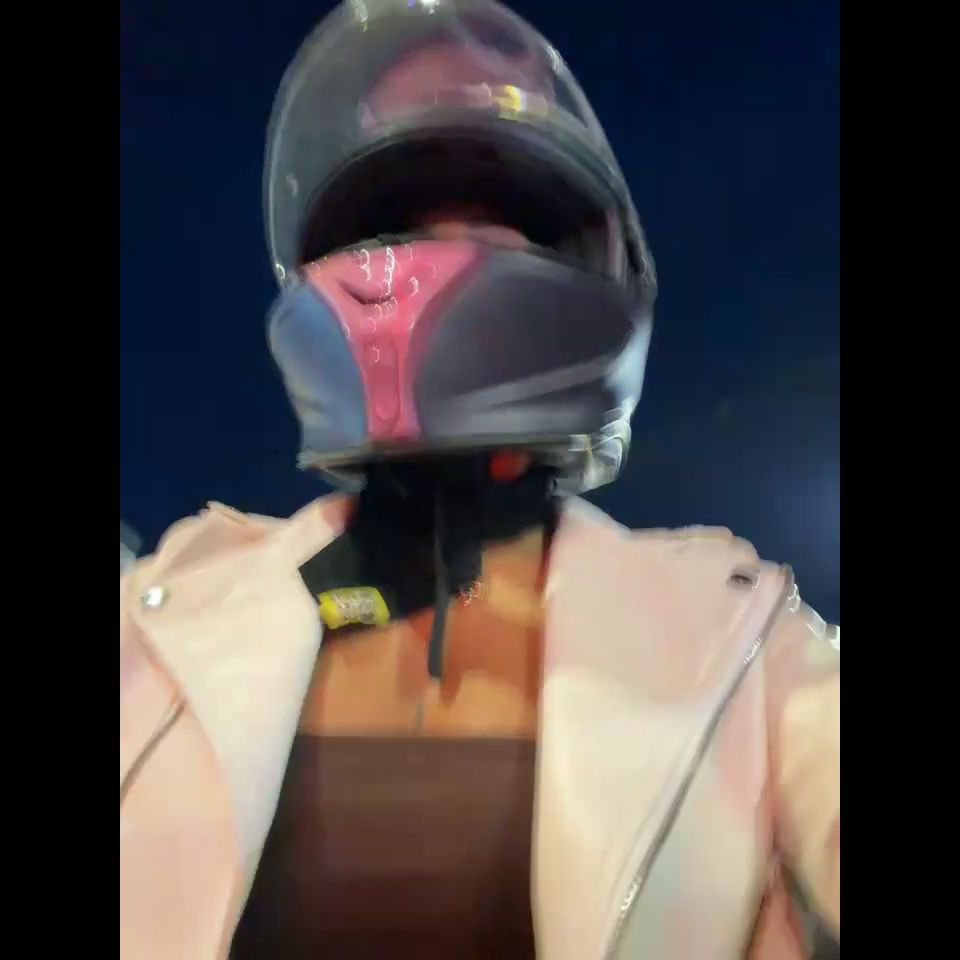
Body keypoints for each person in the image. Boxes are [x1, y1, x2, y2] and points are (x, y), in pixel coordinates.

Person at [119, 1, 839, 957]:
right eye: (399, 225)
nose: (430, 262)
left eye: (491, 224)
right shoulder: (160, 621)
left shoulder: (740, 637)